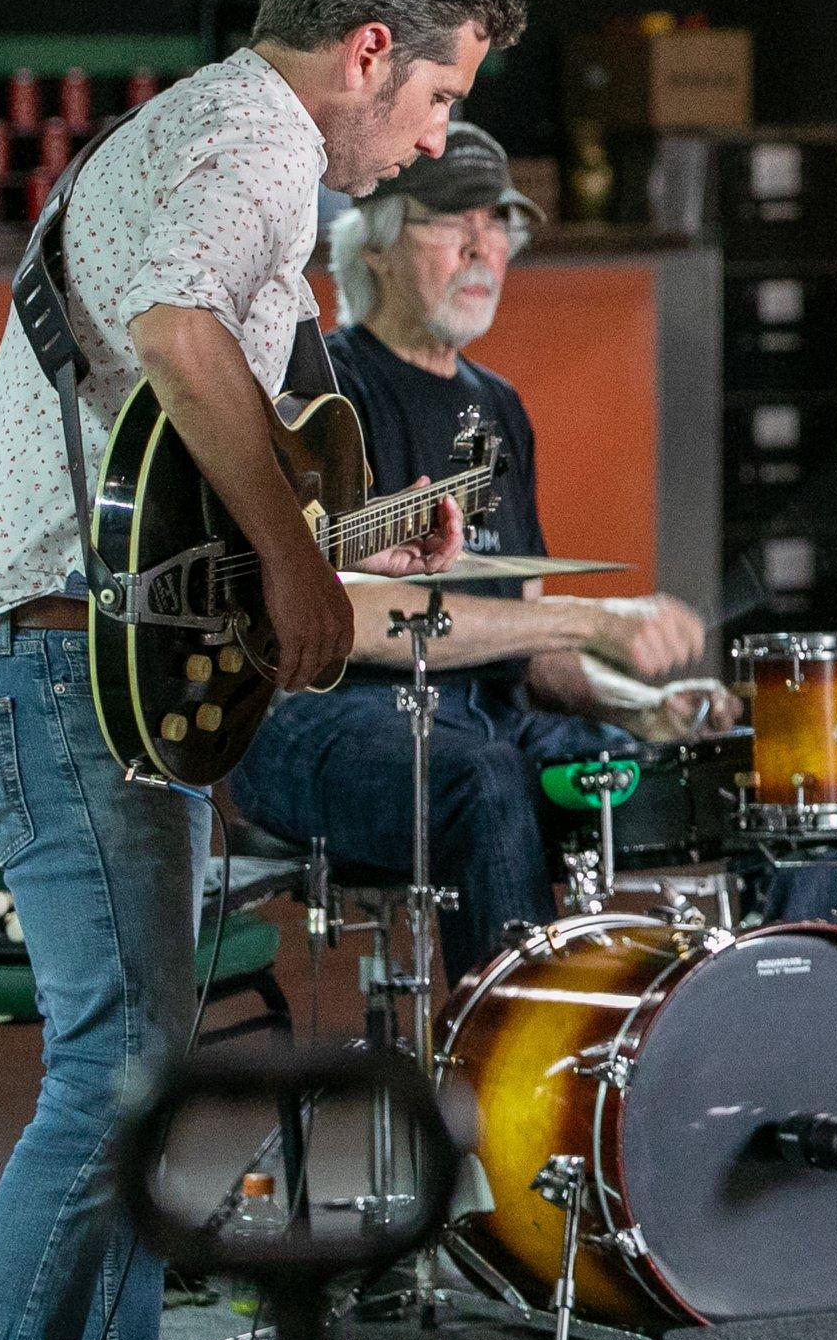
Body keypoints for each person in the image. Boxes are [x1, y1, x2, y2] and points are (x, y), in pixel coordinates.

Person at [0, 0, 520, 1340]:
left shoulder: (235, 163)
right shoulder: (249, 138)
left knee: (140, 1078)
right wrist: (293, 566)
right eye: (441, 97)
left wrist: (357, 531)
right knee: (116, 1074)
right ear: (370, 49)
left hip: (78, 672)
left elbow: (188, 466)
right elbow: (181, 341)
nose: (438, 138)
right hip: (51, 675)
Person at [231, 121, 793, 974]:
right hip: (316, 724)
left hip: (486, 719)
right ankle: (510, 1078)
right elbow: (343, 614)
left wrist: (631, 704)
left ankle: (766, 1041)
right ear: (375, 245)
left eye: (498, 224)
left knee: (749, 775)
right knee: (484, 778)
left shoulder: (498, 409)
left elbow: (527, 647)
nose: (482, 247)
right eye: (453, 220)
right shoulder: (321, 392)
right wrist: (593, 619)